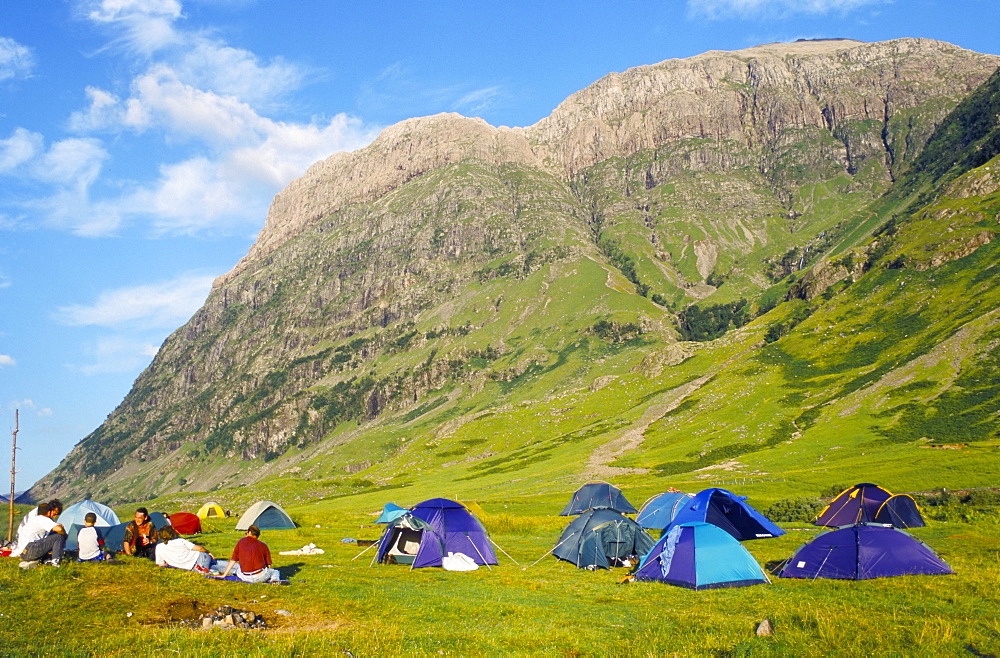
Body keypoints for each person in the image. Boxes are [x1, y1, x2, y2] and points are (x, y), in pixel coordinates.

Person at [13, 500, 66, 569]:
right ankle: (55, 561)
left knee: (51, 536)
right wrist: (64, 534)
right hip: (30, 549)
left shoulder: (35, 520)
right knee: (58, 536)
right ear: (49, 512)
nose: (55, 517)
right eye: (55, 514)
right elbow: (59, 530)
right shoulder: (43, 519)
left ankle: (39, 561)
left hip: (23, 553)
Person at [154, 526, 227, 574]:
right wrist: (208, 552)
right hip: (199, 559)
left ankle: (211, 571)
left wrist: (172, 562)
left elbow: (161, 564)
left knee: (207, 570)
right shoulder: (180, 541)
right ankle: (235, 567)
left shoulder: (159, 547)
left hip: (199, 559)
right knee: (214, 565)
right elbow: (199, 548)